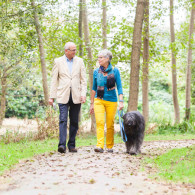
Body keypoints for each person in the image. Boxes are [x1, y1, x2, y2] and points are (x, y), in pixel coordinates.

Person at [49, 42, 87, 153]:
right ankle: (61, 145)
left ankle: (71, 145)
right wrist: (52, 96)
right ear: (66, 51)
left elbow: (83, 80)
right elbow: (54, 80)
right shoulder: (58, 61)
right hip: (62, 95)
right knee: (63, 120)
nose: (75, 52)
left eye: (75, 50)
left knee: (74, 121)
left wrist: (83, 94)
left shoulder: (80, 61)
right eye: (73, 50)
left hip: (76, 95)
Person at [90, 49, 124, 153]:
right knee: (100, 122)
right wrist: (91, 103)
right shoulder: (96, 71)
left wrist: (121, 101)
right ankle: (99, 145)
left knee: (110, 124)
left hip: (112, 100)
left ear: (107, 59)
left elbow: (119, 86)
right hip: (98, 100)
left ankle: (109, 146)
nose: (98, 59)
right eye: (98, 57)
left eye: (101, 57)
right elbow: (93, 88)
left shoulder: (115, 70)